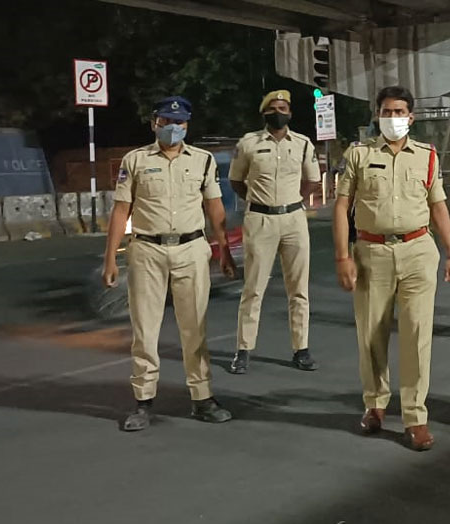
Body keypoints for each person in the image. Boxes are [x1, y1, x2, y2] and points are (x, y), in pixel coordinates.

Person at [332, 86, 450, 451]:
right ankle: (375, 405)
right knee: (371, 335)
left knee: (417, 335)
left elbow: (438, 207)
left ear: (411, 117)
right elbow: (342, 207)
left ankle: (415, 418)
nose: (393, 118)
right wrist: (343, 256)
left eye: (400, 111)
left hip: (418, 250)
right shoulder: (358, 155)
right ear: (377, 115)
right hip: (371, 252)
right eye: (387, 112)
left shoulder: (428, 156)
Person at [103, 96, 237, 431]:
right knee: (145, 330)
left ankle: (202, 398)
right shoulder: (134, 160)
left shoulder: (203, 161)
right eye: (165, 122)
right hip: (147, 251)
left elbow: (215, 208)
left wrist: (225, 251)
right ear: (154, 124)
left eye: (178, 123)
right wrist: (110, 258)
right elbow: (121, 211)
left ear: (187, 125)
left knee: (195, 328)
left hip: (192, 250)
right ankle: (143, 402)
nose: (172, 128)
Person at [227, 90, 322, 375]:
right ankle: (243, 350)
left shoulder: (303, 144)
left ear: (290, 113)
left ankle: (301, 349)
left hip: (293, 219)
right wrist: (259, 201)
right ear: (264, 113)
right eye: (273, 108)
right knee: (253, 289)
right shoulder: (249, 143)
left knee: (299, 290)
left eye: (283, 107)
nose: (278, 112)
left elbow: (312, 180)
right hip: (260, 220)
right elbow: (236, 181)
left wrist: (295, 202)